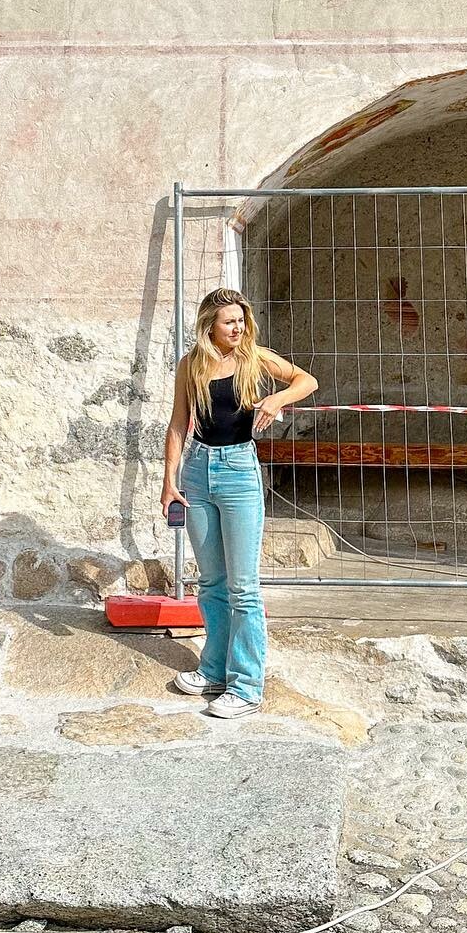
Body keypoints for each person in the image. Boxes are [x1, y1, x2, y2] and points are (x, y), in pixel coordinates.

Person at [160, 288, 318, 718]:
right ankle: (214, 670)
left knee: (243, 587)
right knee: (211, 582)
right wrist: (169, 480)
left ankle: (246, 686)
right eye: (230, 321)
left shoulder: (254, 358)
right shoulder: (191, 364)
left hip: (239, 472)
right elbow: (178, 423)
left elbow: (307, 380)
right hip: (196, 471)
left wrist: (277, 398)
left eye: (242, 320)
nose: (238, 327)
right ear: (209, 325)